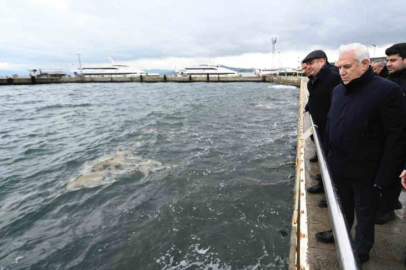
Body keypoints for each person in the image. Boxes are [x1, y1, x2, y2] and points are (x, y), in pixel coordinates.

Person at [316, 43, 406, 264]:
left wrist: (385, 176)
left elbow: (398, 137)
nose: (341, 72)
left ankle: (361, 249)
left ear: (365, 64)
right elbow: (331, 125)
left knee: (365, 213)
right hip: (339, 164)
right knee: (341, 206)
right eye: (339, 67)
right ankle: (340, 234)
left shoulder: (388, 91)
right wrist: (326, 160)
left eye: (347, 66)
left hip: (368, 169)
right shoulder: (338, 90)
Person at [302, 50, 341, 205]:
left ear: (322, 61)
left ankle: (331, 195)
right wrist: (308, 105)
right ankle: (323, 185)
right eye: (306, 65)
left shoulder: (333, 78)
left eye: (310, 64)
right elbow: (315, 97)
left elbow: (338, 103)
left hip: (331, 128)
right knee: (325, 162)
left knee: (332, 163)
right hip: (321, 127)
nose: (307, 68)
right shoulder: (315, 79)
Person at [376, 43, 406, 225]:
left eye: (393, 60)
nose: (388, 63)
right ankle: (391, 202)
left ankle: (387, 210)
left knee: (394, 171)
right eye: (387, 60)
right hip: (387, 134)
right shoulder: (388, 77)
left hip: (401, 136)